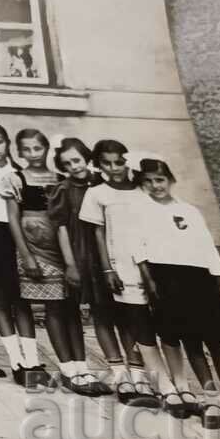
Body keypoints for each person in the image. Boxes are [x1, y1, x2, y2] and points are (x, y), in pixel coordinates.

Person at [136, 158, 220, 431]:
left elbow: (207, 246)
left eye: (159, 180)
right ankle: (211, 401)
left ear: (170, 180)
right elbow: (140, 248)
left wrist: (219, 283)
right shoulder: (141, 212)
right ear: (142, 183)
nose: (155, 185)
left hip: (199, 279)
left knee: (216, 342)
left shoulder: (190, 211)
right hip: (168, 281)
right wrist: (151, 283)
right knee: (191, 343)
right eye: (148, 181)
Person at [1, 129, 106, 397]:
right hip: (36, 250)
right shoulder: (16, 179)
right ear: (20, 152)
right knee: (54, 308)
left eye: (38, 148)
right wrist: (26, 255)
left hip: (65, 249)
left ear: (47, 149)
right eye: (27, 150)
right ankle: (68, 370)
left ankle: (83, 368)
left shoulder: (61, 178)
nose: (33, 154)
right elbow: (13, 219)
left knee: (71, 307)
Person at [79, 139, 167, 407]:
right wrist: (107, 268)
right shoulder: (97, 193)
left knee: (138, 320)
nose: (114, 168)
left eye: (119, 161)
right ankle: (121, 375)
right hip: (113, 265)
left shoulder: (143, 189)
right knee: (108, 316)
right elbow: (98, 232)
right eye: (106, 163)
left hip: (145, 264)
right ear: (98, 165)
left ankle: (140, 375)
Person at [48, 137, 138, 396]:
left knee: (122, 312)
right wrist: (70, 264)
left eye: (76, 160)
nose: (74, 166)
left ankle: (133, 370)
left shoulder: (103, 182)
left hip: (110, 253)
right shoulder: (63, 189)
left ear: (86, 157)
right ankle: (87, 370)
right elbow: (62, 228)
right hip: (81, 256)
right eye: (67, 163)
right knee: (96, 312)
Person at [0, 122, 46, 386]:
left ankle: (33, 361)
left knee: (22, 300)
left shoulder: (19, 172)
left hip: (21, 236)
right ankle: (17, 363)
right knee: (1, 299)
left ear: (7, 143)